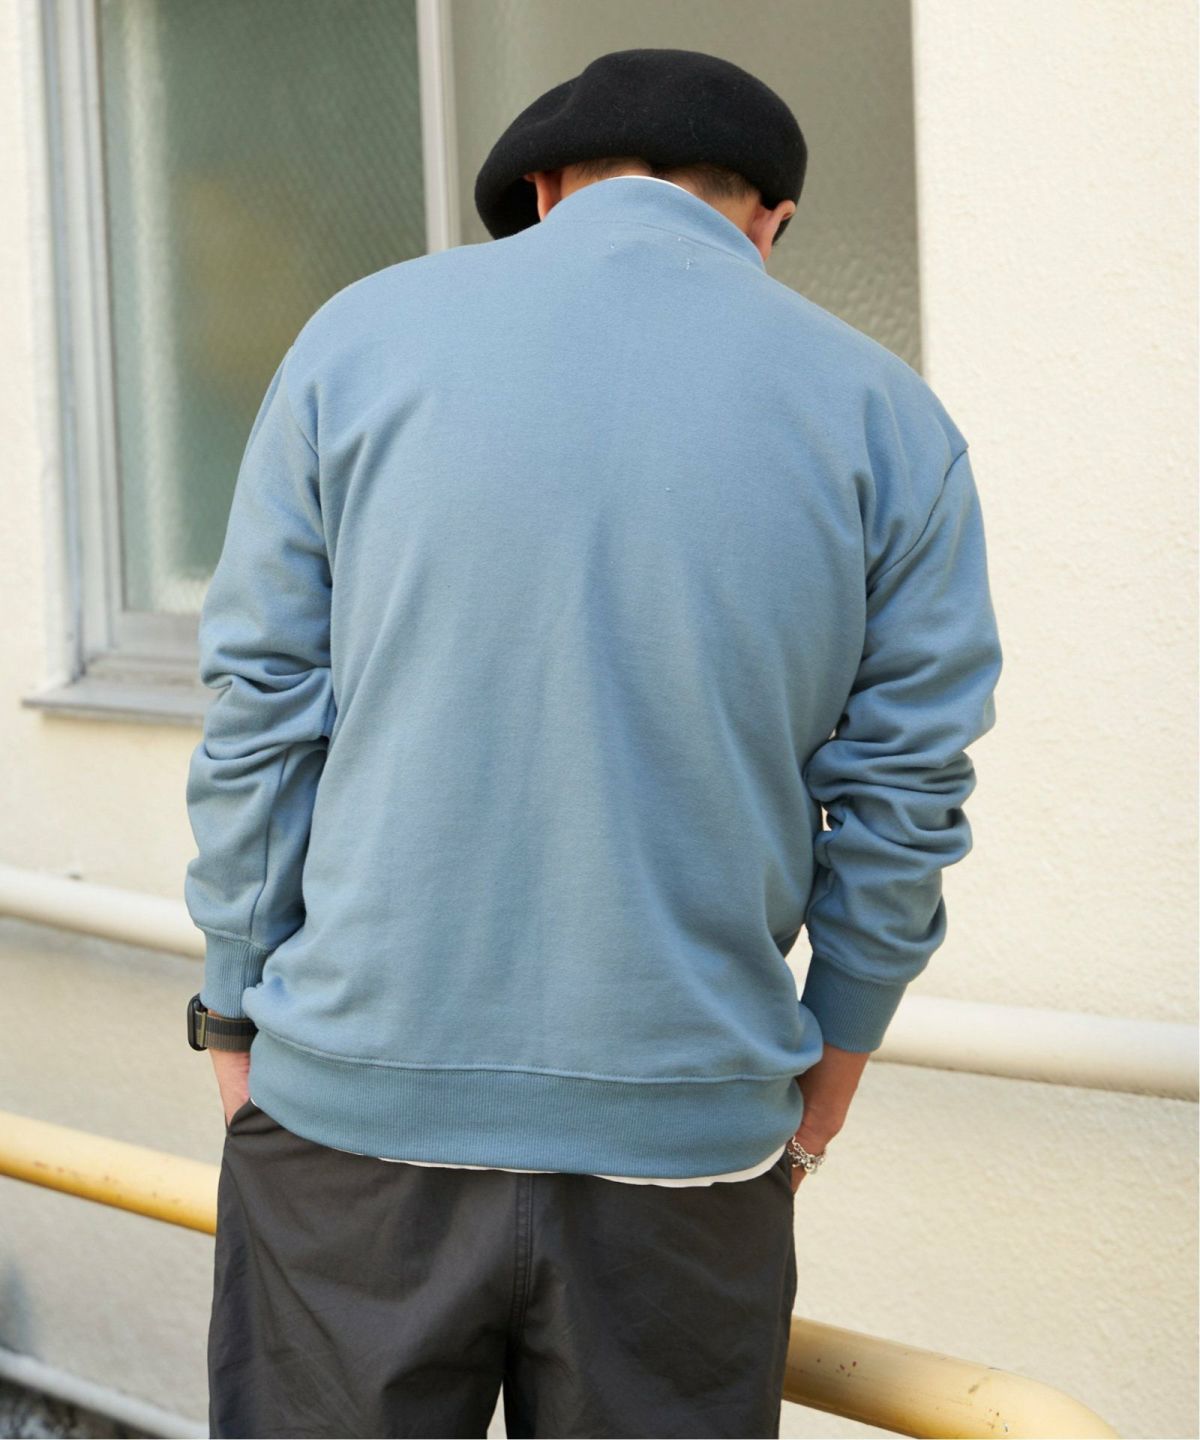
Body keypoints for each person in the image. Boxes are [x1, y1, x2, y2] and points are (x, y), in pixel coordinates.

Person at [184, 46, 1003, 1440]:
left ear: (546, 192)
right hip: (686, 1140)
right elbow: (906, 789)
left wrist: (235, 1003)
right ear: (769, 222)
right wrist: (832, 1063)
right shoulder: (890, 418)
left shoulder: (356, 342)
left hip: (353, 1122)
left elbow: (264, 703)